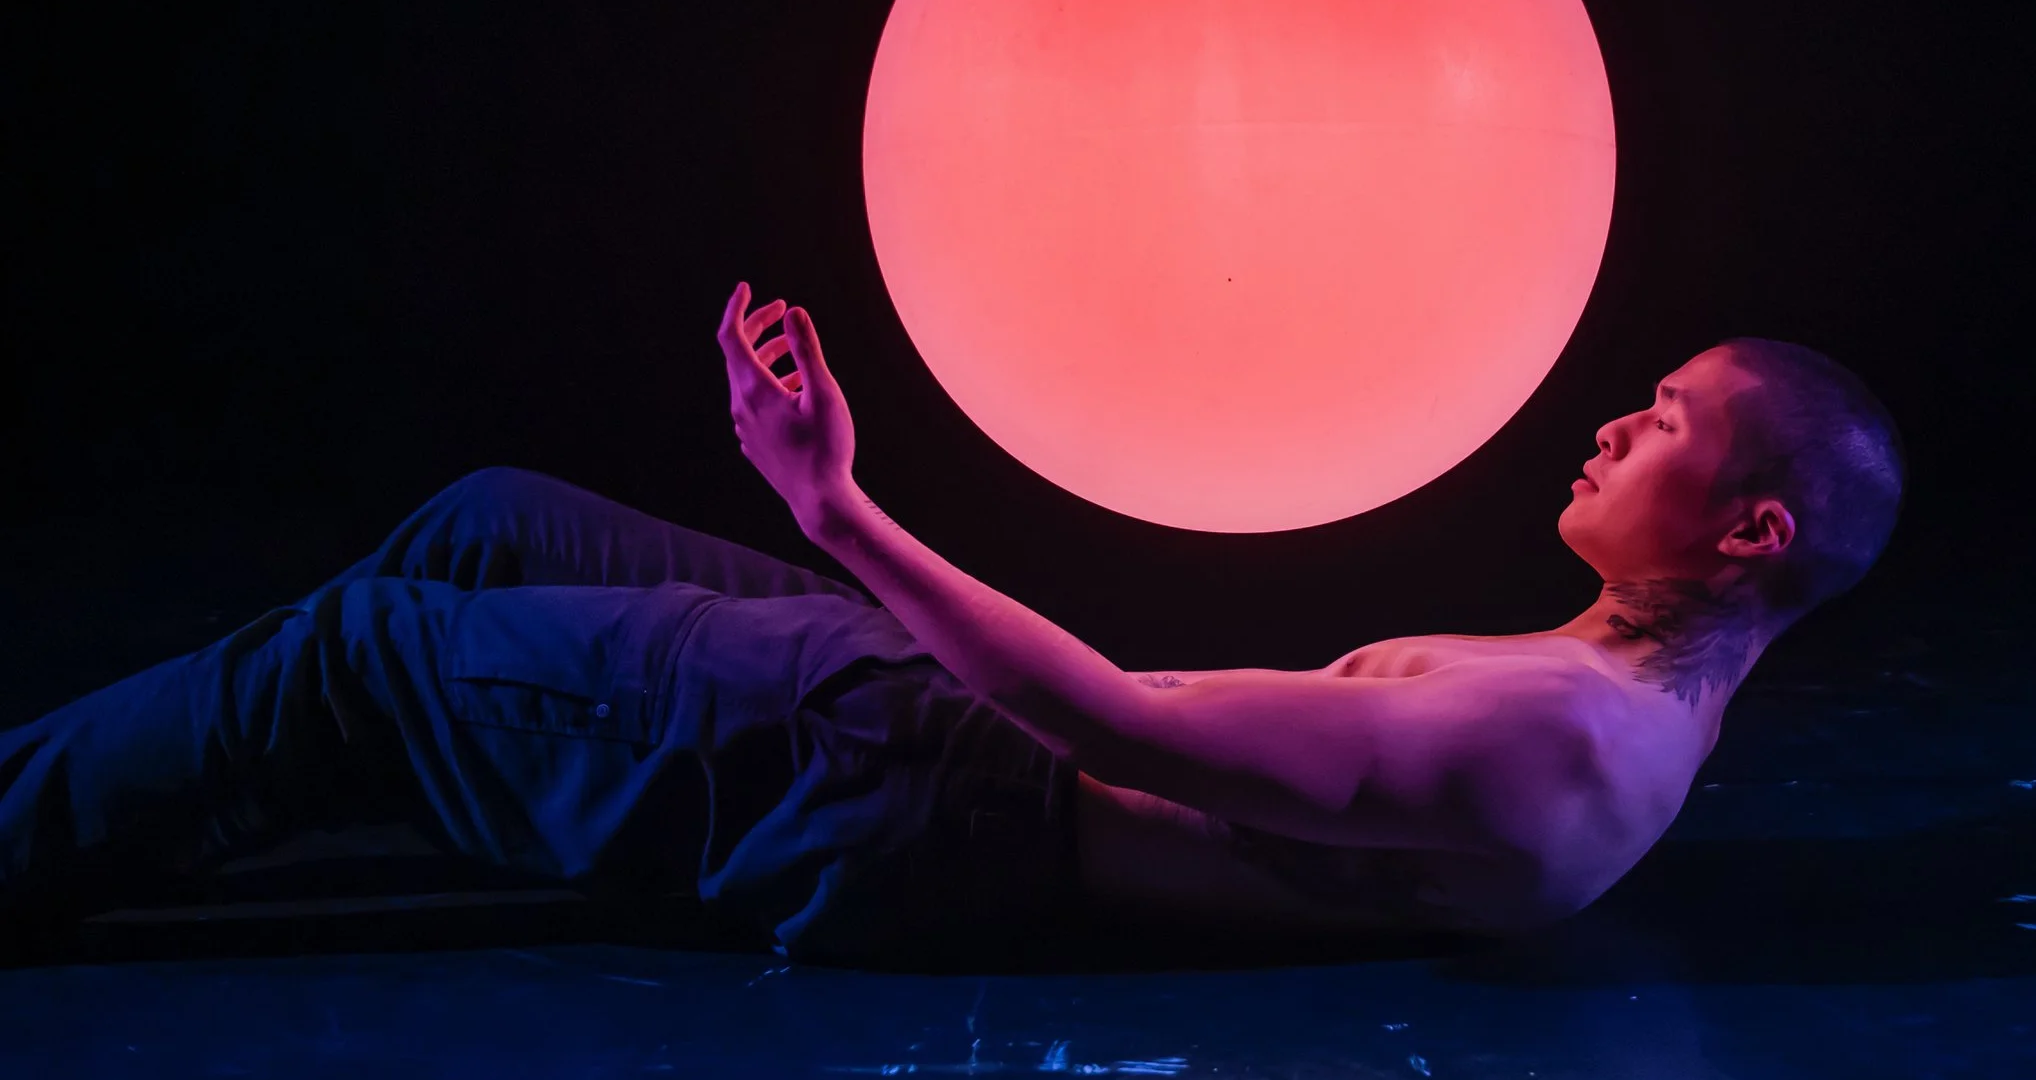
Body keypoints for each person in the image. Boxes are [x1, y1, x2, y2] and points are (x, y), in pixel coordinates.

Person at [0, 284, 1903, 960]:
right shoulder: (1611, 683)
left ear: (1747, 528)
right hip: (948, 738)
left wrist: (830, 505)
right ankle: (183, 777)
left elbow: (1109, 727)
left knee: (368, 658)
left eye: (1656, 420)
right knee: (493, 528)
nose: (1606, 420)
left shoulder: (1558, 744)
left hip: (924, 793)